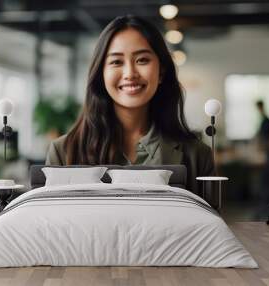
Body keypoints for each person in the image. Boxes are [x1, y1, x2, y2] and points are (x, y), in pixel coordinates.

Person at [45, 15, 214, 196]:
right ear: (101, 75)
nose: (130, 73)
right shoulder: (63, 152)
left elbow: (210, 222)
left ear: (161, 72)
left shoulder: (197, 155)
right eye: (116, 62)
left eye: (142, 60)